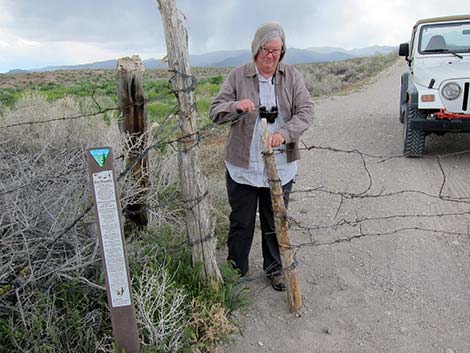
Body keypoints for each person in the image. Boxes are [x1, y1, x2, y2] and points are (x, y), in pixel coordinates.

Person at [209, 22, 314, 291]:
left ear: (283, 51)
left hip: (279, 166)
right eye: (266, 49)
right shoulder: (238, 76)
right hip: (243, 165)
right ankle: (236, 270)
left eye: (277, 51)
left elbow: (306, 112)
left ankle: (274, 268)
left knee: (274, 218)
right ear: (256, 49)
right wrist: (235, 106)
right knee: (241, 221)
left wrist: (285, 133)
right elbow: (215, 112)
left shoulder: (291, 76)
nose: (271, 56)